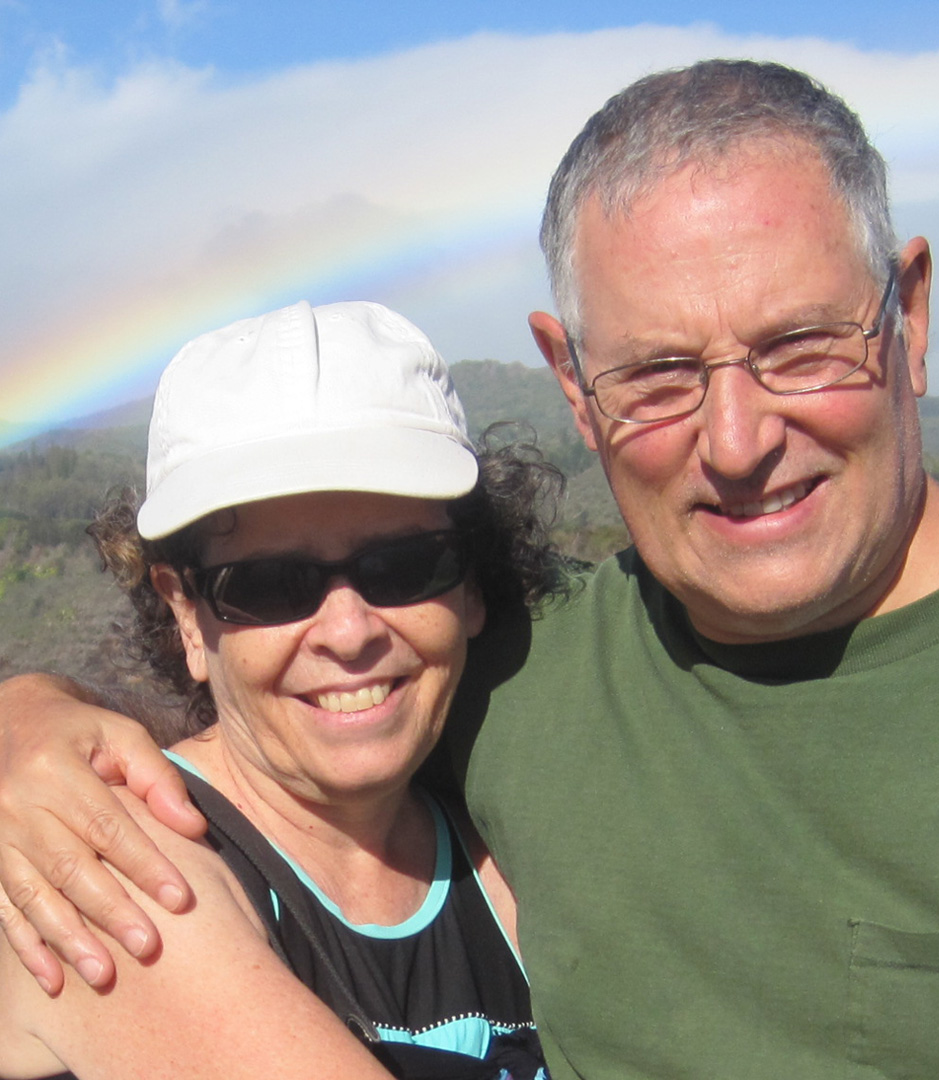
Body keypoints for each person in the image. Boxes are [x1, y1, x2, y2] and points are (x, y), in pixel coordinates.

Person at [2, 57, 939, 1078]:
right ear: (575, 384)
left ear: (913, 313)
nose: (740, 440)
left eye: (801, 346)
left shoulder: (481, 711)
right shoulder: (113, 869)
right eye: (659, 374)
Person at [0, 299, 557, 1080]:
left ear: (471, 586)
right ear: (187, 617)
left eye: (404, 567)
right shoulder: (116, 869)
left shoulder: (511, 835)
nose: (349, 630)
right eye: (268, 584)